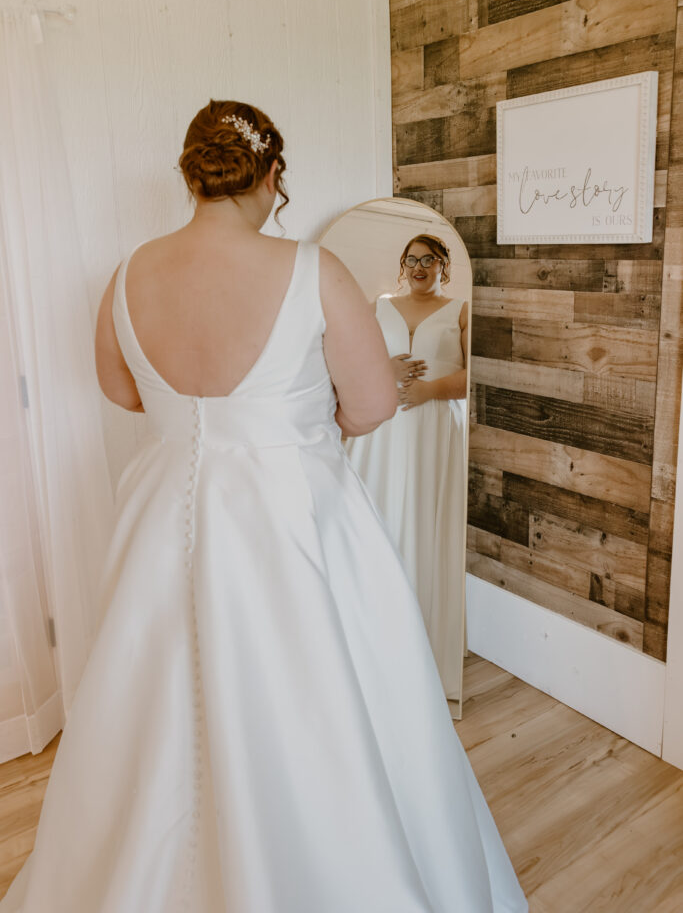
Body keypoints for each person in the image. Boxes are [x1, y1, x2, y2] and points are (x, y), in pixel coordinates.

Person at [0, 100, 527, 913]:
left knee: (155, 702)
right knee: (325, 700)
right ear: (271, 174)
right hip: (292, 512)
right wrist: (299, 424)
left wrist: (197, 421)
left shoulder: (128, 271)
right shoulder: (311, 270)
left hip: (164, 511)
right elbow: (374, 406)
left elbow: (119, 390)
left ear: (190, 174)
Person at [345, 235, 468, 704]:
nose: (420, 267)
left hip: (435, 427)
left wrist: (428, 391)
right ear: (402, 265)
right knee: (379, 520)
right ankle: (374, 642)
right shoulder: (379, 306)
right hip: (384, 431)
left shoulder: (460, 310)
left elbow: (476, 373)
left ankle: (426, 649)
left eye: (429, 260)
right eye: (412, 259)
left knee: (424, 522)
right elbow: (350, 362)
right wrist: (384, 369)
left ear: (443, 265)